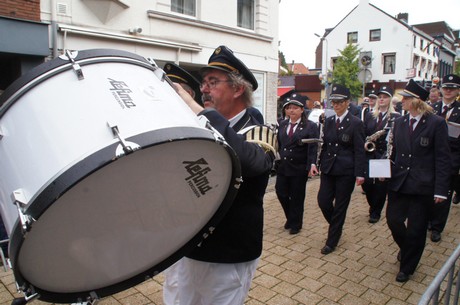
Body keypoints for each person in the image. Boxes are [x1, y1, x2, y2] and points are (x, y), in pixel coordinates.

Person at [163, 45, 274, 305]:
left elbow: (248, 161)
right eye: (203, 83)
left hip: (227, 253)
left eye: (212, 82)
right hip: (187, 245)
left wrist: (194, 106)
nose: (203, 89)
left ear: (237, 89)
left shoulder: (259, 131)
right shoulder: (197, 125)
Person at [386, 79, 451, 282]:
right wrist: (384, 171)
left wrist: (441, 190)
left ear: (417, 101)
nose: (401, 101)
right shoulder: (400, 122)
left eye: (406, 98)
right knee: (393, 220)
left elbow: (442, 158)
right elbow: (394, 153)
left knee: (416, 228)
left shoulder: (436, 123)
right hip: (400, 182)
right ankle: (408, 249)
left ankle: (407, 266)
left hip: (422, 185)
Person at [313, 84, 366, 255]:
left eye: (339, 102)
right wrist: (318, 164)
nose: (336, 105)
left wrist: (360, 173)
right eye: (333, 102)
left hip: (346, 171)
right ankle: (336, 225)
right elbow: (325, 145)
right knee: (323, 201)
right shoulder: (328, 121)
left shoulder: (356, 123)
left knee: (341, 206)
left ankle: (332, 240)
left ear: (347, 103)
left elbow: (359, 149)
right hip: (329, 168)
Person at [275, 95, 318, 235]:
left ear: (301, 110)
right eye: (289, 108)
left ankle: (296, 223)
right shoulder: (282, 124)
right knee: (281, 192)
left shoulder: (310, 126)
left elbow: (312, 147)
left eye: (295, 108)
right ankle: (290, 217)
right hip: (283, 166)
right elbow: (279, 144)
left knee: (297, 196)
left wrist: (312, 164)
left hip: (299, 167)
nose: (291, 110)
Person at [428, 74, 460, 242]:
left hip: (450, 159)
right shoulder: (432, 108)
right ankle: (427, 220)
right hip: (430, 157)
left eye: (452, 88)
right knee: (428, 190)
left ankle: (437, 226)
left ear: (457, 91)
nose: (448, 91)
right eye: (446, 87)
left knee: (443, 194)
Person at [362, 86, 400, 223]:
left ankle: (376, 211)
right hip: (369, 152)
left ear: (390, 99)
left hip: (383, 154)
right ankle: (373, 205)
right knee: (366, 183)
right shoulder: (370, 115)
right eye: (380, 97)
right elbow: (364, 132)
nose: (382, 99)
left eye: (385, 97)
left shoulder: (396, 117)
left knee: (380, 185)